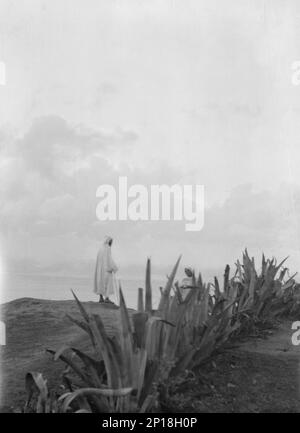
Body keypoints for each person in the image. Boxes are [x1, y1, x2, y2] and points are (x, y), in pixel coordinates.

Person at [94, 236, 118, 304]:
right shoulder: (108, 248)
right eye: (111, 242)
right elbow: (109, 259)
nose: (111, 243)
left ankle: (101, 298)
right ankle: (107, 298)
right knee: (107, 283)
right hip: (106, 270)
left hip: (100, 271)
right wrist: (114, 267)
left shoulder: (101, 248)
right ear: (109, 241)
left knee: (100, 283)